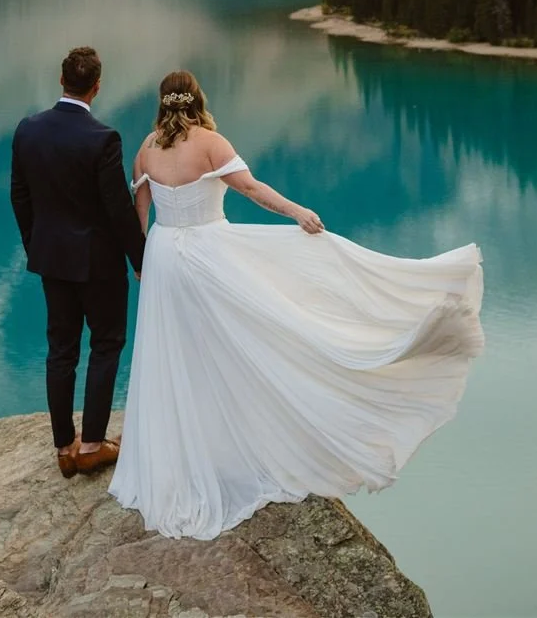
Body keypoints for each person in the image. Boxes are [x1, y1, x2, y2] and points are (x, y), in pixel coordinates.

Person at [108, 69, 484, 540]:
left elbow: (140, 211)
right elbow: (251, 189)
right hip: (207, 255)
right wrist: (297, 212)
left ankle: (182, 449)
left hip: (164, 257)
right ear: (197, 98)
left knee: (174, 353)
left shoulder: (146, 149)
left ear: (162, 103)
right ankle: (231, 445)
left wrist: (140, 260)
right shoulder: (210, 143)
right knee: (242, 340)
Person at [10, 45, 146, 477]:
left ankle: (63, 448)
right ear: (97, 87)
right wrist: (141, 259)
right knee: (105, 344)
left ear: (61, 80)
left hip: (52, 260)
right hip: (99, 265)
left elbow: (19, 196)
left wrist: (37, 246)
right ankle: (91, 445)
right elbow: (118, 209)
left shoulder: (28, 129)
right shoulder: (102, 138)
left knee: (60, 349)